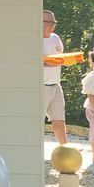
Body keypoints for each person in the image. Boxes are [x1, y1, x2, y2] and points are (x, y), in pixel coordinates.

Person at [40, 10, 70, 147]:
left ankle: (65, 149)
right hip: (41, 86)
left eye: (54, 22)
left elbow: (60, 58)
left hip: (56, 85)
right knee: (37, 120)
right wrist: (52, 62)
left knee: (59, 119)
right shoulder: (33, 40)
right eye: (49, 22)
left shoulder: (55, 38)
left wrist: (70, 60)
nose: (53, 25)